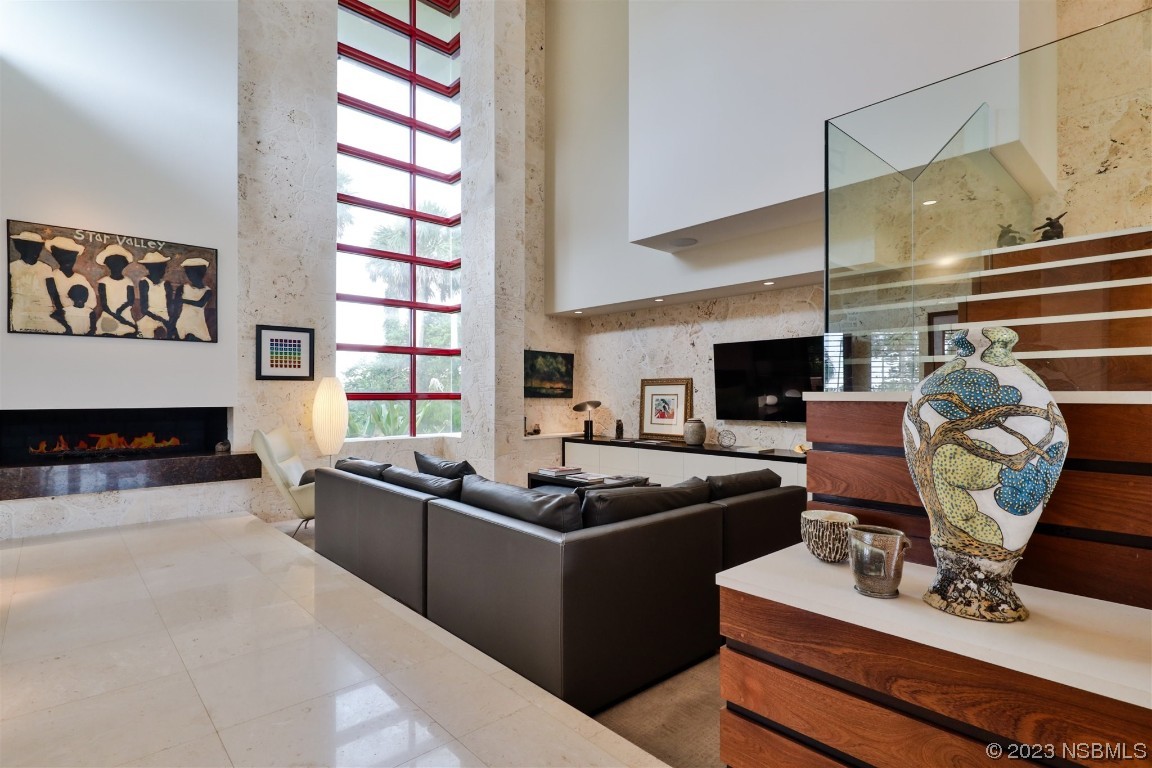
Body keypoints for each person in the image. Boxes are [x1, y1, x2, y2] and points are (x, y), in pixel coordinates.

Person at [7, 230, 58, 333]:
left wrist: (59, 310)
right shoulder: (12, 267)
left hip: (44, 312)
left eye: (38, 247)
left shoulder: (46, 268)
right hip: (20, 312)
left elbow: (53, 292)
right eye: (32, 247)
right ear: (21, 248)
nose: (36, 251)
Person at [44, 236, 95, 334]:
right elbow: (51, 302)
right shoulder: (52, 276)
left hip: (82, 319)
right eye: (63, 256)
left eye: (71, 256)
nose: (68, 260)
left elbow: (92, 302)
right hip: (59, 321)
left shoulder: (81, 278)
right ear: (56, 257)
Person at [95, 244, 139, 336]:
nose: (116, 266)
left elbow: (130, 301)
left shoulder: (128, 281)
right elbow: (104, 305)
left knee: (129, 333)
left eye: (119, 263)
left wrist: (120, 310)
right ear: (108, 264)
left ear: (124, 264)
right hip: (109, 316)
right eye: (112, 263)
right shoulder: (103, 282)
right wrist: (117, 317)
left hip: (125, 314)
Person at [173, 256, 213, 341]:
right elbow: (175, 305)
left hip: (198, 325)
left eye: (192, 273)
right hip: (182, 324)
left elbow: (200, 303)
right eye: (188, 273)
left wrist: (183, 300)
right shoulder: (182, 288)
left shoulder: (208, 291)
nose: (190, 276)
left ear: (201, 273)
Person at [137, 251, 174, 339]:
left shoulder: (166, 284)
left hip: (166, 317)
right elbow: (144, 309)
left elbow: (170, 306)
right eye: (159, 268)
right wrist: (161, 320)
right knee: (144, 331)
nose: (163, 270)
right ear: (150, 269)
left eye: (163, 267)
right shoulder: (144, 282)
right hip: (150, 316)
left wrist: (170, 322)